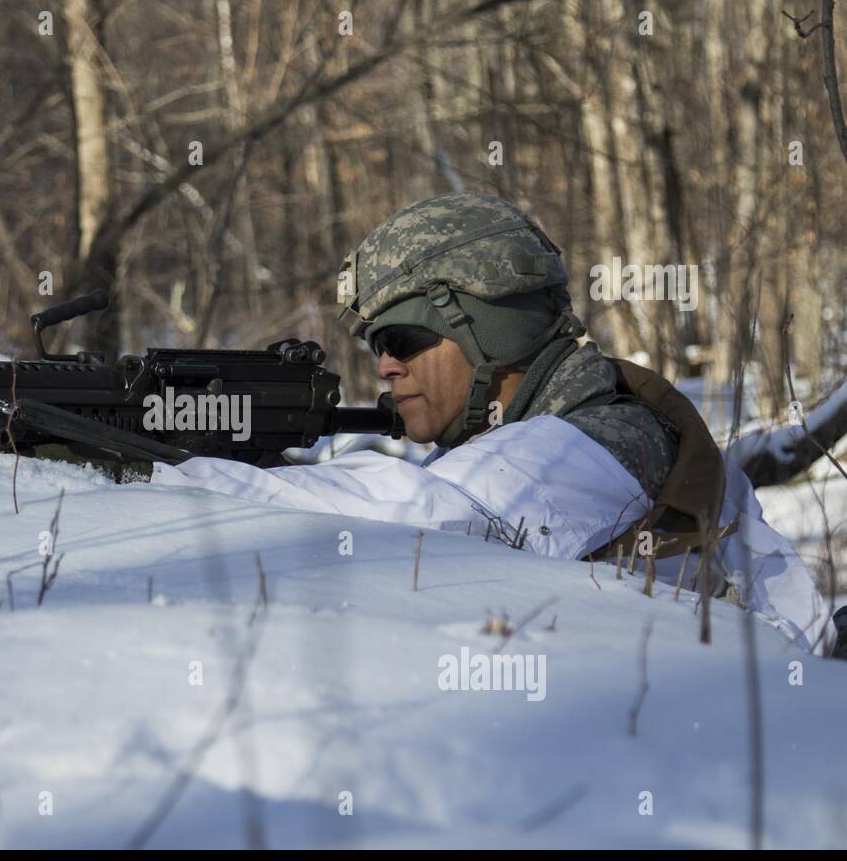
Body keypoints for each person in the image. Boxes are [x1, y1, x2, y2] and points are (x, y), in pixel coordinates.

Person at [150, 191, 838, 656]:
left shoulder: (603, 441)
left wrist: (143, 469)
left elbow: (428, 520)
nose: (384, 366)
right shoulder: (569, 426)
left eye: (402, 339)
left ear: (486, 326)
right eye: (374, 348)